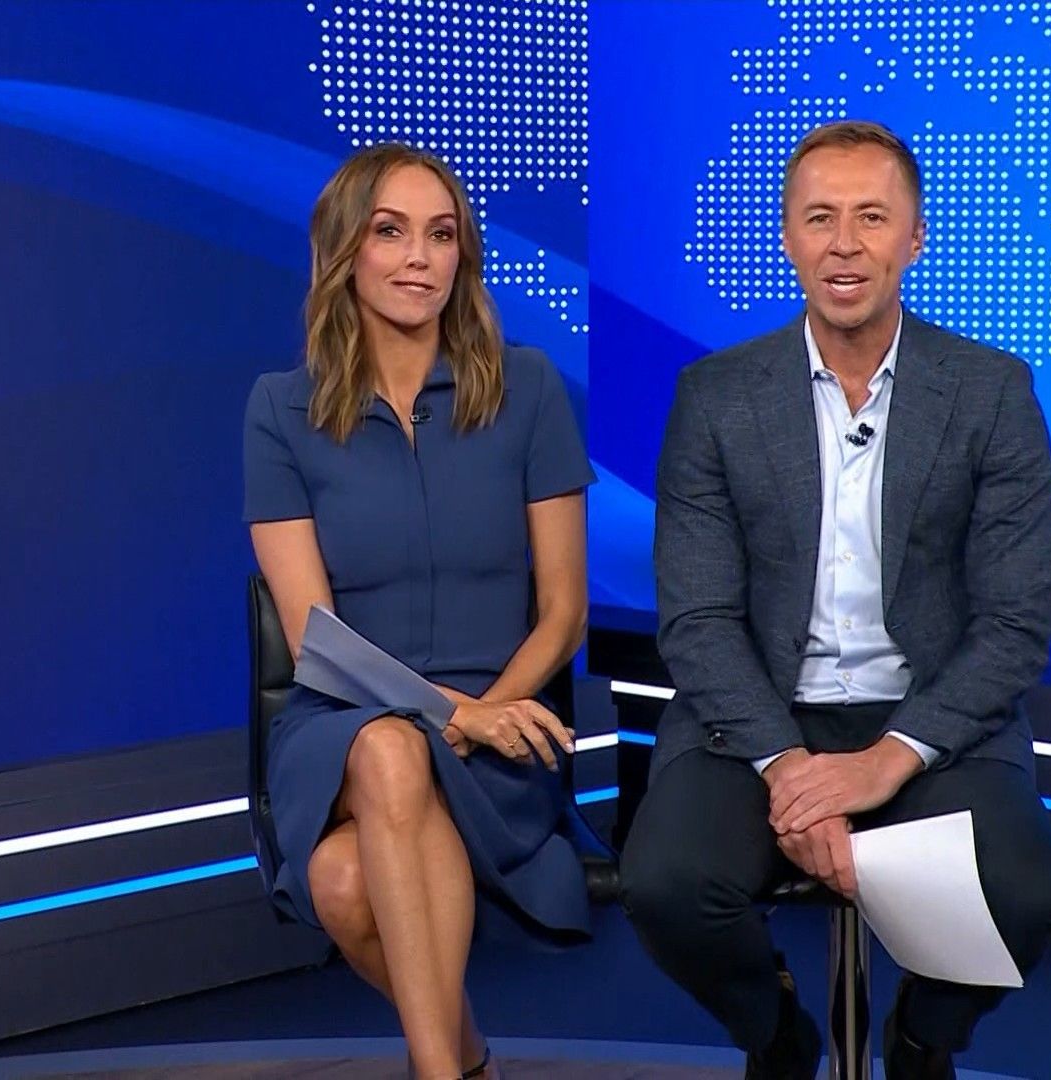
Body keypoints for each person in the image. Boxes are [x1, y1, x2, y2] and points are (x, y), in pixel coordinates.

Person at [620, 120, 1051, 1080]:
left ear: (915, 237)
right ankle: (777, 1034)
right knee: (664, 885)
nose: (845, 244)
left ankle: (921, 1037)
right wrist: (790, 767)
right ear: (788, 237)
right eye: (820, 218)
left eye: (872, 217)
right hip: (755, 718)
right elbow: (697, 618)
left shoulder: (991, 392)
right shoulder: (716, 396)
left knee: (1023, 892)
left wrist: (882, 762)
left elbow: (1015, 623)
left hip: (928, 715)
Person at [243, 143, 594, 1080]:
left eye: (441, 236)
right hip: (343, 721)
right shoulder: (280, 411)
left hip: (503, 722)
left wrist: (486, 714)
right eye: (390, 232)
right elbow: (314, 637)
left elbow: (563, 610)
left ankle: (461, 1062)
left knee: (343, 879)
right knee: (389, 750)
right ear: (344, 251)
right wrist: (451, 716)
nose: (418, 258)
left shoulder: (527, 390)